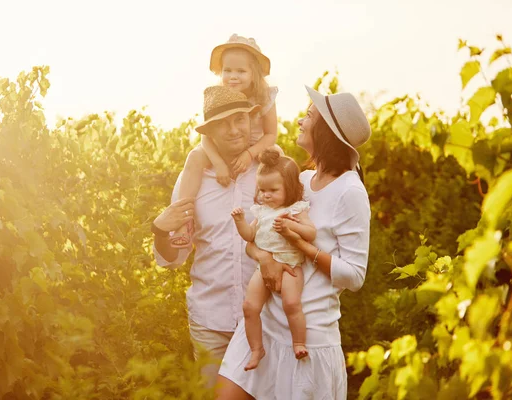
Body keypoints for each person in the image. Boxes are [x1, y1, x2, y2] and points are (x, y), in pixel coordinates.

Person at [216, 86, 372, 399]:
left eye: (309, 116)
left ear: (326, 133)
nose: (300, 121)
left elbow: (355, 276)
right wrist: (265, 259)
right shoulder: (299, 180)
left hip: (306, 340)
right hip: (264, 327)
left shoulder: (350, 193)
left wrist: (305, 249)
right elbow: (257, 239)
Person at [151, 85, 294, 389]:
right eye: (222, 124)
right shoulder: (193, 180)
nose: (233, 130)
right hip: (210, 323)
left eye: (239, 120)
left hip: (268, 320)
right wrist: (161, 230)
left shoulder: (272, 172)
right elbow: (174, 256)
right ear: (210, 133)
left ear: (250, 120)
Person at [170, 34, 279, 248]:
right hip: (223, 146)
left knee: (279, 158)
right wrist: (218, 163)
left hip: (256, 145)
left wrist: (250, 153)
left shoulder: (264, 96)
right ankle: (183, 220)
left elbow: (270, 134)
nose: (233, 76)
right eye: (228, 70)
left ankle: (284, 213)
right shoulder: (219, 96)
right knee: (194, 158)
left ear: (254, 73)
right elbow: (206, 135)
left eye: (240, 71)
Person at [231, 148, 316, 371]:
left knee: (291, 303)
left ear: (289, 188)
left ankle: (299, 342)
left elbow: (310, 233)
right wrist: (240, 221)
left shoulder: (296, 209)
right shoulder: (261, 212)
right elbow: (249, 237)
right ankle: (256, 349)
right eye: (262, 190)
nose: (266, 195)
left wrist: (291, 226)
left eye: (273, 190)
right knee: (249, 307)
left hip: (291, 266)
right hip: (263, 268)